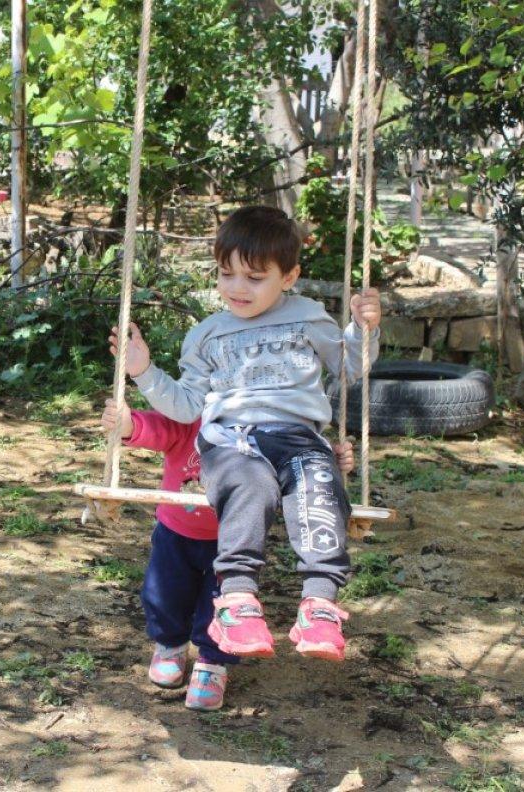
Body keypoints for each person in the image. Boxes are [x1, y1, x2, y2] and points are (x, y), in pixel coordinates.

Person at [112, 205, 381, 662]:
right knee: (249, 486)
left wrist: (364, 329)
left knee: (319, 486)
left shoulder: (309, 318)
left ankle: (319, 603)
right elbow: (187, 406)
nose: (238, 288)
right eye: (226, 274)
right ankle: (237, 599)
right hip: (232, 440)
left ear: (289, 276)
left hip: (298, 437)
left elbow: (350, 368)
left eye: (255, 278)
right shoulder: (207, 335)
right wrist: (144, 373)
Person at [101, 400, 356, 709]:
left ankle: (212, 664)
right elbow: (156, 429)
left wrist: (330, 458)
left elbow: (292, 463)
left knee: (223, 605)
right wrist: (127, 424)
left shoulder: (258, 431)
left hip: (231, 542)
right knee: (164, 596)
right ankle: (170, 645)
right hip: (176, 533)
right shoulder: (191, 417)